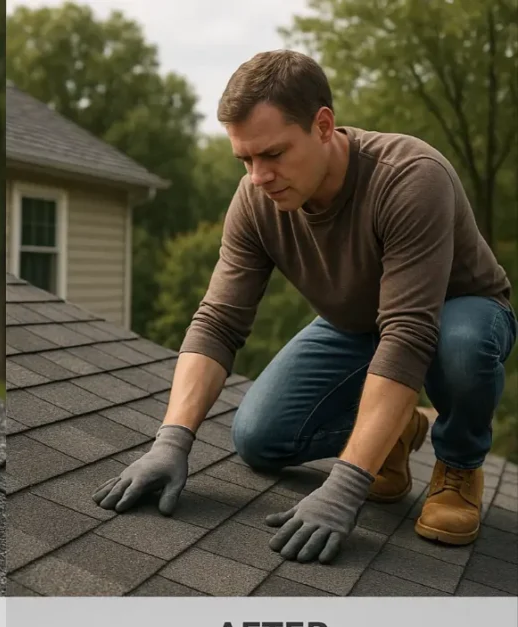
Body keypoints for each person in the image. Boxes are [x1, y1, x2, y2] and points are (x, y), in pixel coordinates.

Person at [92, 49, 515, 565]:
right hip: (357, 324)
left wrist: (346, 485)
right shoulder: (256, 201)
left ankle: (459, 463)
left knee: (463, 344)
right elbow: (218, 322)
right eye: (245, 160)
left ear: (323, 126)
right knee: (259, 439)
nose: (259, 176)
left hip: (457, 311)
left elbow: (408, 335)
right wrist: (171, 441)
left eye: (272, 154)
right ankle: (395, 432)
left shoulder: (409, 177)